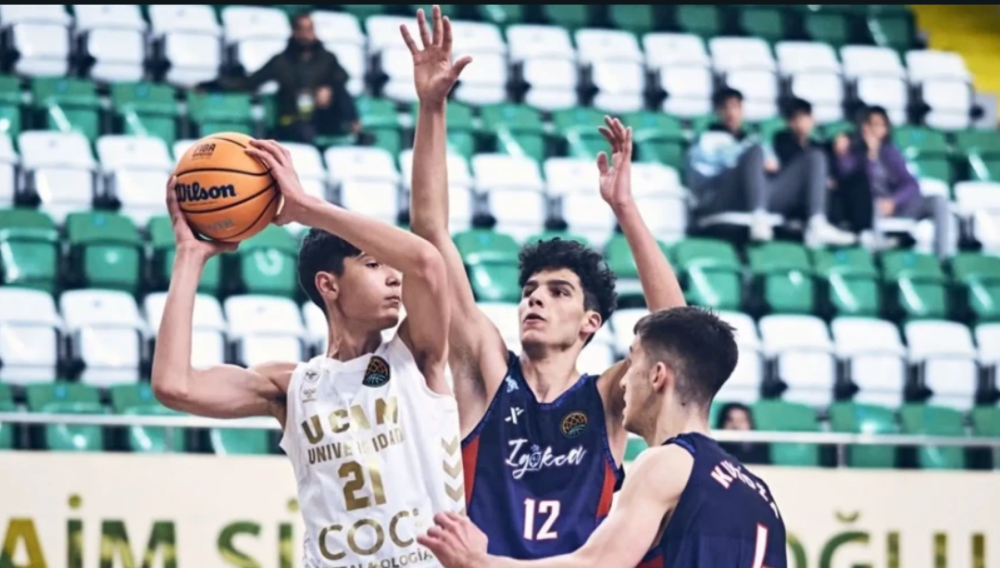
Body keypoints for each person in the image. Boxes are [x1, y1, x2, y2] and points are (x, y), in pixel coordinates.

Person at [401, 5, 687, 560]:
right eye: (530, 289)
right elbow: (430, 233)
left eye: (559, 292)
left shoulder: (608, 398)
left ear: (590, 323)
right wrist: (431, 107)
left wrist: (625, 209)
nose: (535, 298)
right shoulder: (487, 371)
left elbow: (677, 332)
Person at [151, 139, 463, 567]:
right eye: (374, 265)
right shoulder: (291, 386)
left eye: (393, 268)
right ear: (328, 285)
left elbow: (427, 263)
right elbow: (174, 385)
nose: (395, 279)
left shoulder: (416, 356)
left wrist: (307, 207)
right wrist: (189, 256)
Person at [417, 307, 788, 568]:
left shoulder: (667, 463)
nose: (624, 381)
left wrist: (477, 562)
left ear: (657, 376)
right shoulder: (760, 494)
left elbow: (595, 565)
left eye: (632, 363)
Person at [686, 87, 854, 248]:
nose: (732, 113)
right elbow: (701, 183)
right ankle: (758, 217)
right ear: (717, 111)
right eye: (726, 107)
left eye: (736, 107)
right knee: (754, 152)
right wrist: (742, 163)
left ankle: (817, 222)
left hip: (761, 193)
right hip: (723, 198)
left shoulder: (754, 140)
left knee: (815, 157)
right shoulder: (706, 141)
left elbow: (773, 168)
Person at [211, 12, 360, 142]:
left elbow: (343, 76)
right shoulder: (281, 61)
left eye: (309, 30)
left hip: (320, 117)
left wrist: (328, 88)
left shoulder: (327, 59)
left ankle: (356, 128)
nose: (306, 35)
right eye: (301, 29)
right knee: (304, 131)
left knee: (340, 90)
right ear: (294, 31)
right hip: (292, 120)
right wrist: (213, 84)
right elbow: (250, 82)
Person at [832, 105, 951, 258]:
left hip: (895, 205)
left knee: (938, 201)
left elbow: (911, 185)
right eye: (872, 125)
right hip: (867, 207)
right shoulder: (852, 152)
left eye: (882, 125)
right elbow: (849, 178)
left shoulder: (890, 152)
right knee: (872, 206)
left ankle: (942, 258)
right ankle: (875, 255)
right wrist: (870, 157)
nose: (876, 130)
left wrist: (894, 201)